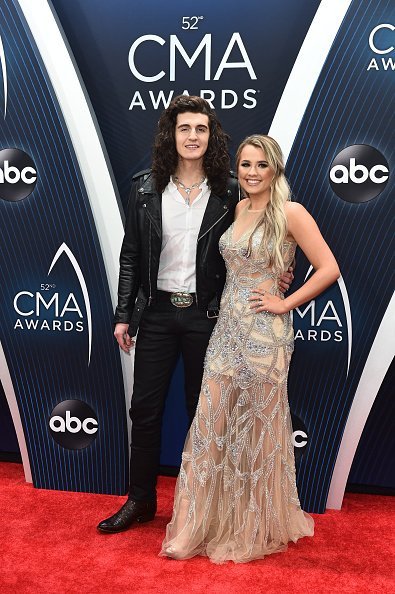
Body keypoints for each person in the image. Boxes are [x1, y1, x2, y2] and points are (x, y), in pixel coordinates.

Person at [97, 99, 292, 534]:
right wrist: (123, 313)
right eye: (183, 128)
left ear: (211, 136)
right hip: (159, 314)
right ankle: (140, 500)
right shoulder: (145, 188)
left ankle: (203, 511)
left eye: (200, 129)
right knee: (144, 410)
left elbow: (262, 237)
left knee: (203, 413)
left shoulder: (230, 191)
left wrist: (278, 274)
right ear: (171, 135)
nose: (191, 136)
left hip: (211, 317)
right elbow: (131, 255)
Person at [160, 134, 340, 563]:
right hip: (226, 332)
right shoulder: (238, 208)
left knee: (256, 432)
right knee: (210, 426)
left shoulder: (291, 212)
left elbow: (329, 267)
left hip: (265, 337)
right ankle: (191, 528)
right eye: (245, 165)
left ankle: (252, 526)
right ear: (236, 169)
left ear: (275, 168)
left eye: (261, 165)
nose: (252, 173)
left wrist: (285, 301)